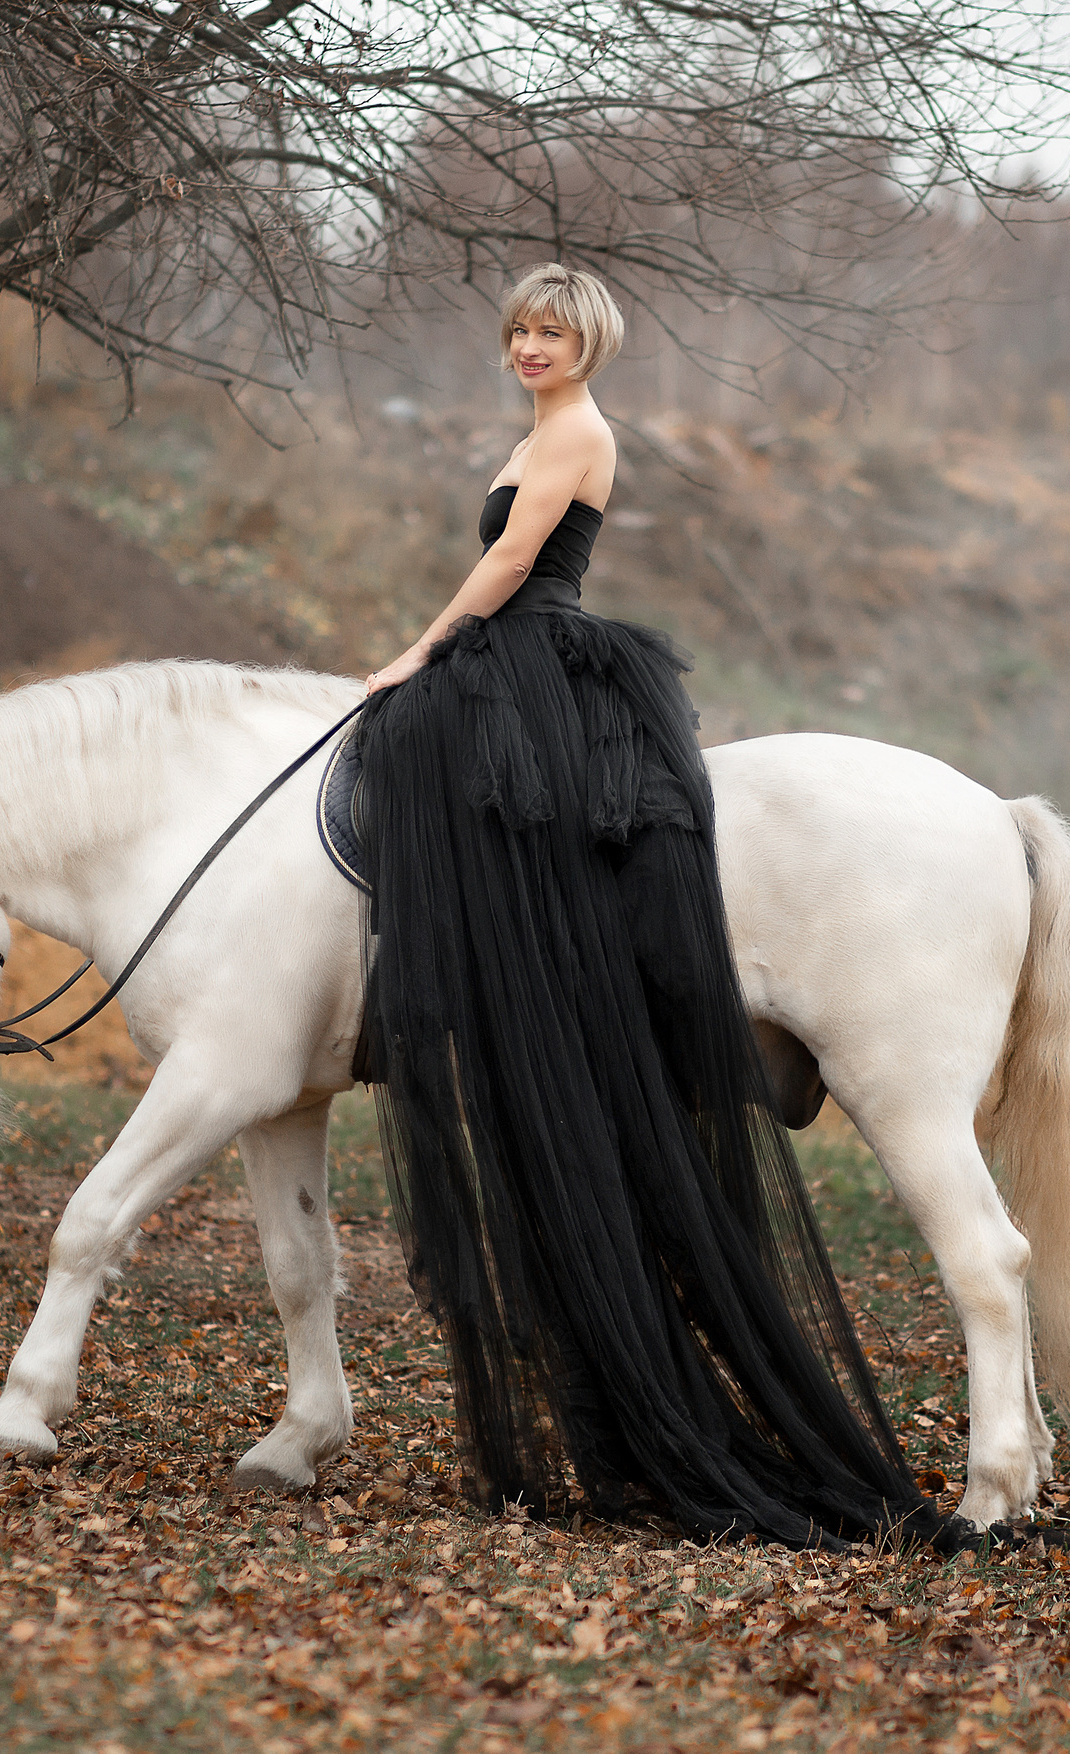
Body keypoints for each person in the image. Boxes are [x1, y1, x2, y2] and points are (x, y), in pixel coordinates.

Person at [354, 264, 971, 1550]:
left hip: (532, 650)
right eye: (519, 330)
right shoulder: (536, 427)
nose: (529, 347)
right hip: (520, 651)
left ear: (590, 345)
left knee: (415, 739)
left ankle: (493, 970)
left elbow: (516, 561)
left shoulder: (577, 431)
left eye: (552, 333)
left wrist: (414, 651)